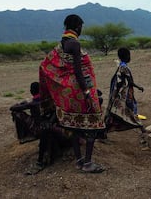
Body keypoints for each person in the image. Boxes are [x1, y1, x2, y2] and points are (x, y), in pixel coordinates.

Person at [39, 14, 105, 173]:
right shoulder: (74, 44)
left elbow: (45, 65)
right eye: (81, 27)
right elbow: (77, 71)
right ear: (77, 27)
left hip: (69, 94)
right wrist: (87, 92)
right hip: (79, 92)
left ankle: (79, 160)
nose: (81, 30)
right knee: (93, 124)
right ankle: (88, 163)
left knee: (74, 127)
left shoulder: (61, 44)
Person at [104, 47, 149, 148]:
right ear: (125, 56)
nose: (130, 57)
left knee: (114, 113)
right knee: (130, 110)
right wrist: (139, 87)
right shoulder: (124, 68)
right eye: (128, 55)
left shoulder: (121, 66)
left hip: (120, 94)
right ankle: (142, 129)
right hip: (124, 95)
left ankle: (104, 133)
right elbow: (130, 82)